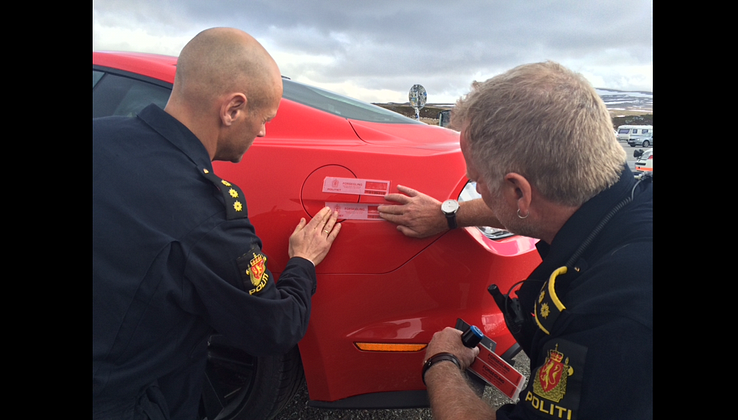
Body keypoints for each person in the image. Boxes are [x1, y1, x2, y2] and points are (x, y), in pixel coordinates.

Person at [93, 28, 341, 419]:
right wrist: (303, 263)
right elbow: (274, 328)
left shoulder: (99, 134)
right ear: (232, 109)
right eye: (264, 118)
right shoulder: (207, 214)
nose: (262, 131)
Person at [383, 62, 652, 419]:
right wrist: (450, 215)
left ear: (518, 192)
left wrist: (442, 363)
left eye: (476, 181)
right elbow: (534, 204)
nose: (476, 190)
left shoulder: (609, 321)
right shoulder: (630, 199)